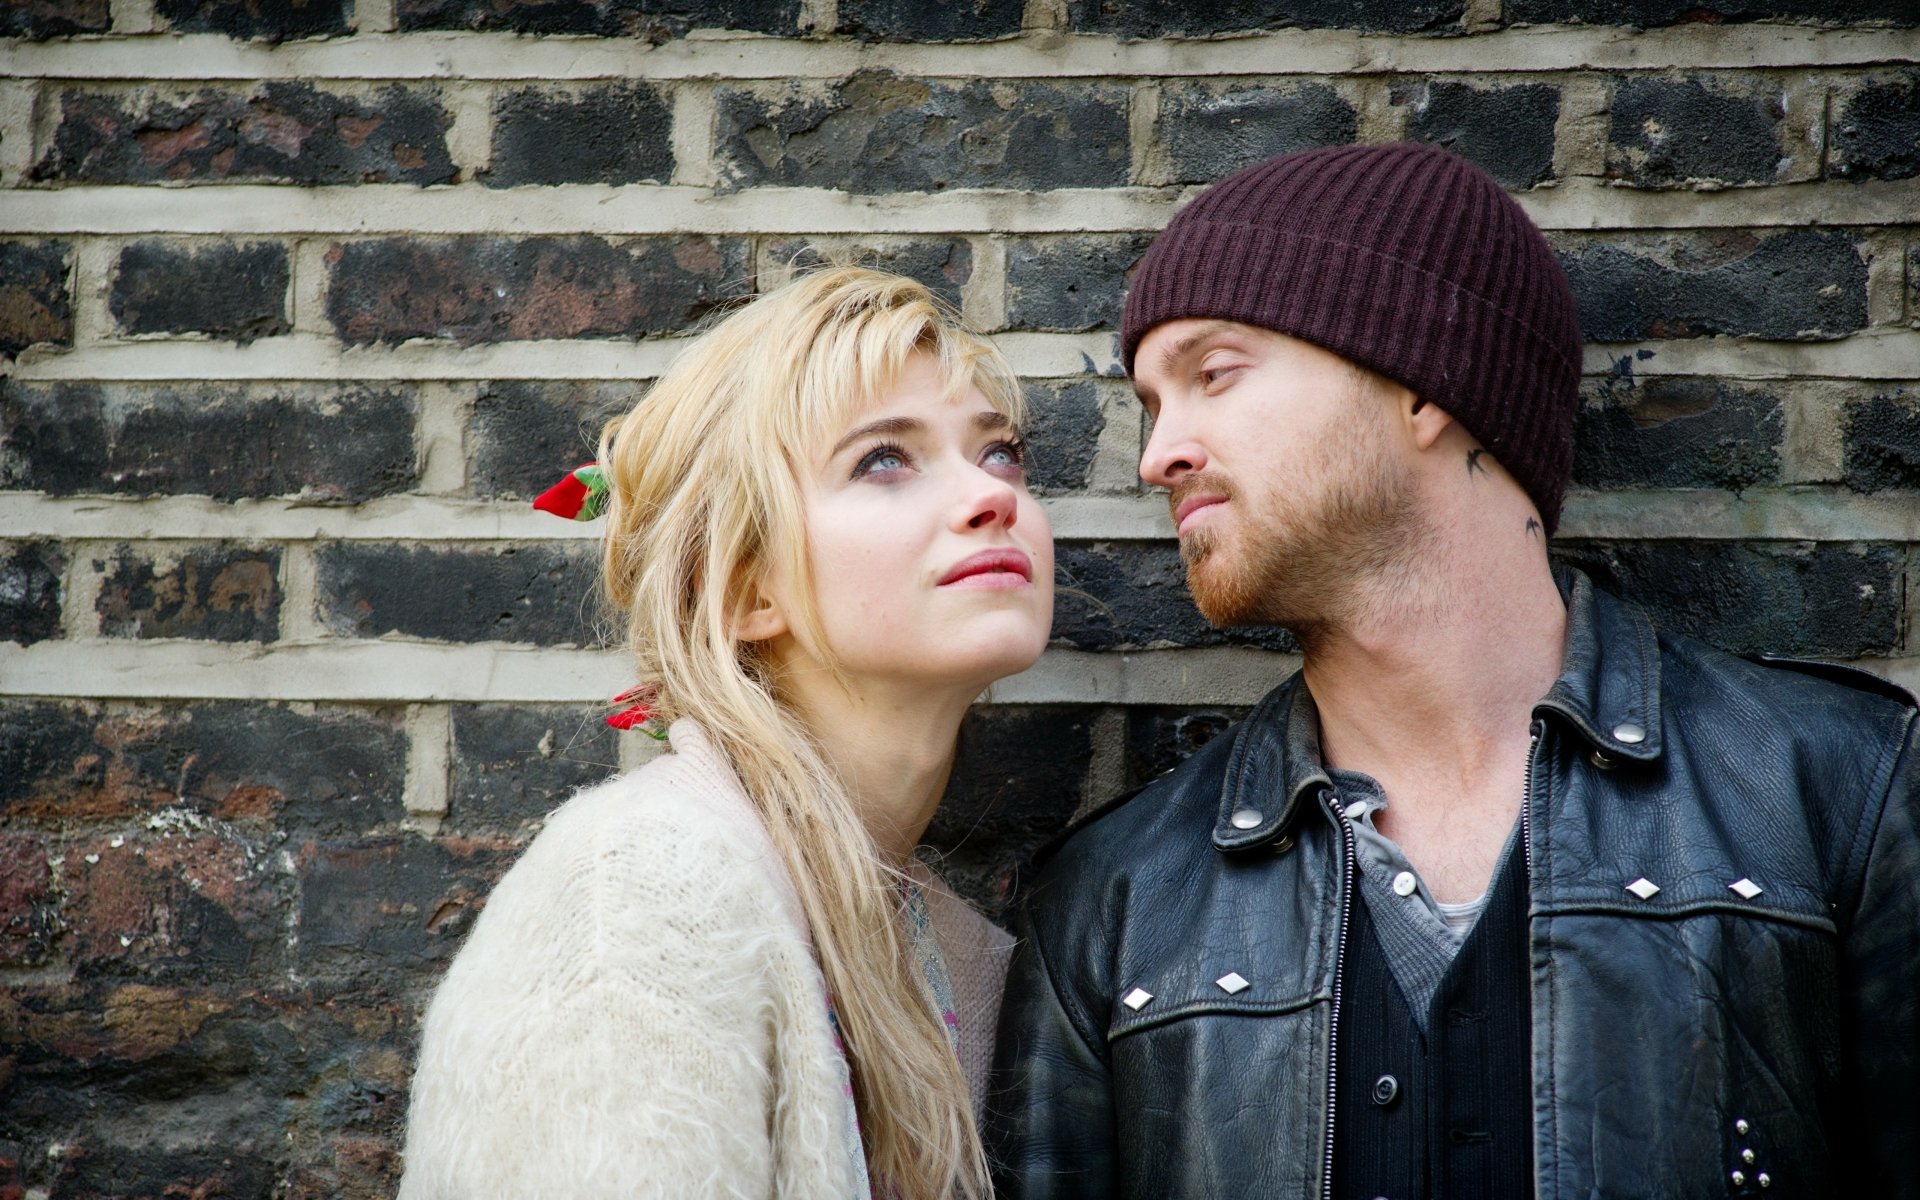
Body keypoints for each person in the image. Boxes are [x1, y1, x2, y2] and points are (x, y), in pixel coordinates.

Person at [985, 142, 1919, 1198]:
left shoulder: (1843, 791)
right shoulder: (1116, 897)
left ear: (1423, 383)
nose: (1160, 454)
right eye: (1154, 404)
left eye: (1213, 375)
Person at [399, 267, 1054, 1199]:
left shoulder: (970, 963)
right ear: (745, 588)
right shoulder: (637, 897)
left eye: (999, 453)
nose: (993, 498)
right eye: (884, 460)